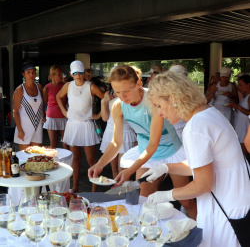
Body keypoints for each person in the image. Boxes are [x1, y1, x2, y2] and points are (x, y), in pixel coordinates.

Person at [142, 70, 250, 246]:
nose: (159, 113)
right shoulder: (210, 112)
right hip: (238, 198)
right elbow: (202, 164)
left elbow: (203, 184)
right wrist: (167, 167)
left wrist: (167, 195)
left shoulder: (195, 127)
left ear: (173, 98)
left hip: (226, 207)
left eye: (159, 106)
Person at [88, 65, 197, 219]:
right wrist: (99, 164)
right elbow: (116, 142)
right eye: (117, 92)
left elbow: (154, 144)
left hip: (171, 151)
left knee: (186, 202)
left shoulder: (153, 101)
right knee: (144, 200)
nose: (122, 97)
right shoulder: (118, 106)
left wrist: (129, 170)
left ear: (139, 83)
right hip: (146, 153)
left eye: (126, 91)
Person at [56, 60, 104, 192]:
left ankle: (94, 190)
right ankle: (75, 187)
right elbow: (58, 96)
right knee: (75, 158)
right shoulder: (68, 86)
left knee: (91, 159)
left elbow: (105, 97)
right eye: (75, 73)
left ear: (84, 73)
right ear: (71, 74)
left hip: (86, 125)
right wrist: (64, 112)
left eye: (80, 72)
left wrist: (99, 114)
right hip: (72, 124)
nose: (78, 75)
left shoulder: (91, 86)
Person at [100, 90, 137, 178]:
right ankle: (116, 190)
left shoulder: (130, 94)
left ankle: (124, 190)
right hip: (110, 131)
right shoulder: (108, 93)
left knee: (122, 169)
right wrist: (103, 102)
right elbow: (105, 118)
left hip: (126, 132)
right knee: (114, 169)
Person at [13, 61, 45, 150]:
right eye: (28, 72)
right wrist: (19, 130)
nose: (31, 74)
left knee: (35, 155)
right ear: (23, 74)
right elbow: (15, 111)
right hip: (24, 127)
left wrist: (44, 115)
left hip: (37, 126)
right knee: (24, 157)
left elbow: (42, 102)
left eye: (33, 72)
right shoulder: (19, 90)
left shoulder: (39, 87)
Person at [43, 65, 68, 149]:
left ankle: (67, 162)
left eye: (61, 74)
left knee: (66, 143)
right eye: (59, 74)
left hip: (63, 116)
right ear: (52, 75)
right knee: (53, 144)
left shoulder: (65, 86)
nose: (61, 76)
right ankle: (52, 161)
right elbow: (44, 102)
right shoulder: (47, 88)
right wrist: (43, 115)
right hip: (51, 117)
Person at [227, 74, 250, 157]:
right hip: (240, 127)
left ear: (248, 85)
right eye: (238, 85)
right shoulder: (244, 97)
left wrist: (237, 107)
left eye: (241, 85)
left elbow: (249, 113)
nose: (239, 87)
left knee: (243, 154)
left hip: (244, 128)